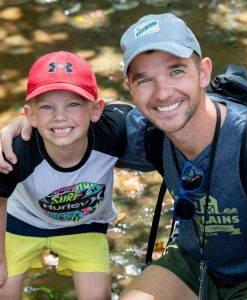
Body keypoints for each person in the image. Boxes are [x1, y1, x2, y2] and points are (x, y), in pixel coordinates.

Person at [1, 13, 247, 300]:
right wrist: (21, 126)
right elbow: (77, 123)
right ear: (130, 88)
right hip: (193, 263)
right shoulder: (146, 133)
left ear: (204, 72)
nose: (163, 93)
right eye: (144, 80)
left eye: (176, 70)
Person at [0, 51, 136, 300]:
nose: (60, 116)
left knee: (98, 296)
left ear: (96, 110)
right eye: (47, 107)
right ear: (30, 115)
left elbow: (140, 112)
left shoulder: (111, 131)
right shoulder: (18, 150)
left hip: (85, 224)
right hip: (22, 222)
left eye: (73, 104)